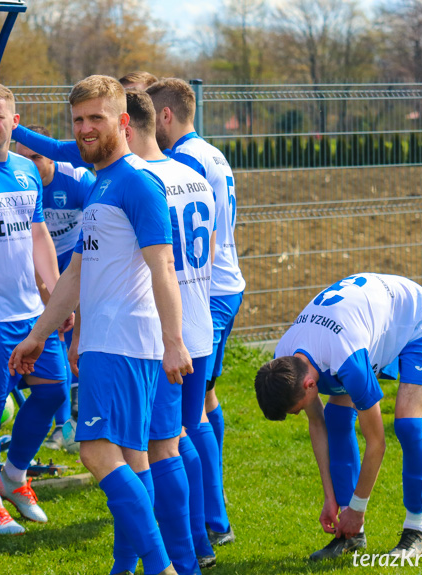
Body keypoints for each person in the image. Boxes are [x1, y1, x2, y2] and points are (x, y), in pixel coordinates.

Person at [10, 74, 192, 575]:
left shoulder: (137, 181)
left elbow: (164, 267)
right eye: (79, 120)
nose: (86, 129)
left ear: (124, 122)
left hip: (122, 341)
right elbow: (76, 272)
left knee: (95, 452)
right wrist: (38, 333)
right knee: (133, 460)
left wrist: (174, 342)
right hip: (106, 340)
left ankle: (162, 568)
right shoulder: (102, 182)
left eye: (96, 118)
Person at [254, 273, 422, 560]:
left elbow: (376, 443)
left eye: (296, 409)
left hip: (416, 319)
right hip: (362, 324)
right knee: (336, 419)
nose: (300, 414)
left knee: (407, 424)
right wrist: (331, 498)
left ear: (309, 385)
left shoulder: (347, 360)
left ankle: (415, 531)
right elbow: (318, 424)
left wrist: (358, 507)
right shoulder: (285, 357)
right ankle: (352, 536)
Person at [0, 83, 69, 535]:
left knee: (54, 391)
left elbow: (39, 235)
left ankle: (15, 477)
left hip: (30, 310)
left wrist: (58, 294)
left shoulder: (27, 170)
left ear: (14, 121)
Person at [121, 88, 218, 571]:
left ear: (126, 126)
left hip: (164, 332)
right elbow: (214, 247)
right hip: (200, 324)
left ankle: (184, 557)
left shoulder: (140, 180)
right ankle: (200, 538)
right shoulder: (191, 174)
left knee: (159, 445)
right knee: (183, 433)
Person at [147, 77, 243, 545]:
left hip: (203, 294)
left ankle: (208, 524)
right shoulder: (211, 154)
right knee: (203, 405)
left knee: (186, 423)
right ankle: (211, 520)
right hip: (217, 286)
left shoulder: (176, 163)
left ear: (163, 115)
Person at [15, 125, 95, 452]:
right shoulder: (20, 183)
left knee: (79, 337)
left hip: (78, 262)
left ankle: (80, 418)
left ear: (51, 156)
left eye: (36, 157)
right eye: (23, 158)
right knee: (52, 336)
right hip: (39, 267)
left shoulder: (77, 180)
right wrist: (43, 284)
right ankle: (63, 425)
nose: (30, 165)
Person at [11, 72, 158, 171]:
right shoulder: (100, 146)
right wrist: (9, 126)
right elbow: (58, 150)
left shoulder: (152, 173)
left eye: (138, 97)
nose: (86, 128)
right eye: (126, 97)